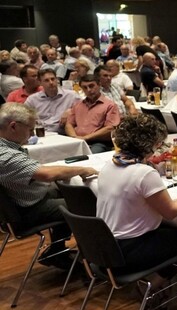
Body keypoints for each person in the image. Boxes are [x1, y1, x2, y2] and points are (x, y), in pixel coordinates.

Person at [96, 114, 177, 293]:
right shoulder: (144, 173)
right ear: (149, 144)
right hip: (128, 251)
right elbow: (171, 212)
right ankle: (152, 289)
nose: (158, 148)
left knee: (176, 231)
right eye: (157, 143)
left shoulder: (110, 165)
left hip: (105, 246)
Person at [0, 103, 98, 269]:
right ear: (13, 126)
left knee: (73, 193)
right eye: (30, 129)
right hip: (27, 210)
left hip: (27, 198)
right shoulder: (5, 155)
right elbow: (47, 174)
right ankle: (96, 259)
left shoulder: (7, 147)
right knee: (88, 204)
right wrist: (81, 169)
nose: (31, 134)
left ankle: (57, 250)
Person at [66, 74, 120, 153]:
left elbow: (110, 128)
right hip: (78, 140)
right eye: (85, 87)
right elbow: (69, 124)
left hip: (99, 142)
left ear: (99, 85)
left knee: (90, 155)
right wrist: (74, 137)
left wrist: (86, 137)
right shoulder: (78, 105)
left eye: (91, 86)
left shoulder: (110, 105)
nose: (88, 90)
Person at [25, 69, 80, 133]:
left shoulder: (72, 96)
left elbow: (84, 111)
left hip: (63, 133)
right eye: (46, 80)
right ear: (40, 83)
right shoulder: (32, 99)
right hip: (41, 133)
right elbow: (23, 117)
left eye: (53, 79)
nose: (51, 82)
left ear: (57, 80)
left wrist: (72, 111)